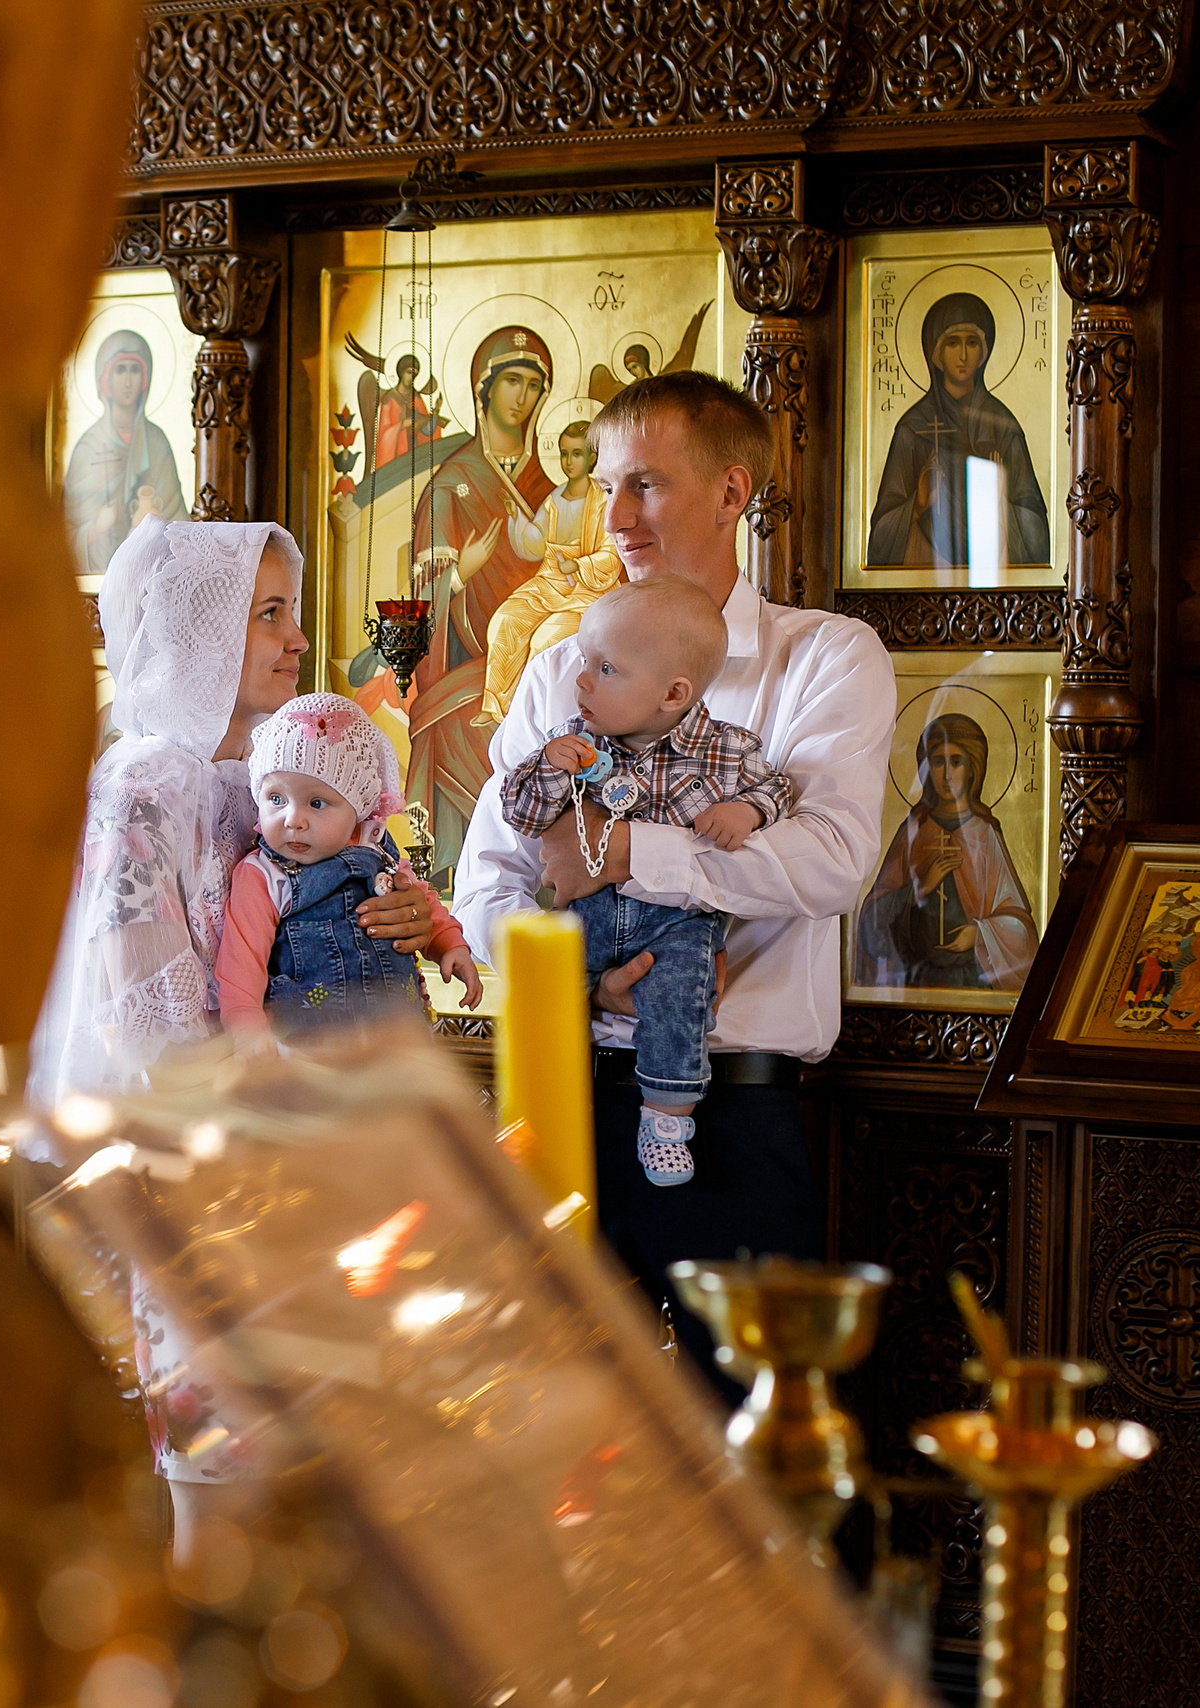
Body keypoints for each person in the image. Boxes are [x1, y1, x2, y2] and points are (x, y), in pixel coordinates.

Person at [453, 371, 896, 1336]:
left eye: (644, 485)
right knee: (550, 1440)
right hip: (559, 1103)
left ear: (733, 493)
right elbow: (488, 880)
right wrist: (583, 977)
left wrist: (618, 855)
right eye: (605, 485)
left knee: (738, 1445)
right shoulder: (557, 670)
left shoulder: (825, 657)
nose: (612, 516)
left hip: (737, 1119)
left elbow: (828, 860)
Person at [29, 520, 437, 1556]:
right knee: (219, 1505)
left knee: (312, 1510)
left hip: (297, 1173)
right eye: (266, 615)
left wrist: (395, 914)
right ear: (190, 630)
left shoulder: (260, 783)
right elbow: (146, 1014)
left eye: (290, 612)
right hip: (208, 1191)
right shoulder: (145, 785)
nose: (297, 640)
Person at [496, 580, 795, 1186]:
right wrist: (551, 768)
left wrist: (747, 813)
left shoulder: (728, 751)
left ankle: (667, 1117)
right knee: (547, 995)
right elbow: (521, 816)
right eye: (584, 663)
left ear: (673, 693)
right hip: (588, 912)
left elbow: (777, 790)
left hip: (675, 921)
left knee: (680, 1000)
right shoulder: (574, 743)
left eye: (605, 669)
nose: (581, 681)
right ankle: (532, 1116)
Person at [217, 693, 484, 1041]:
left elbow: (421, 900)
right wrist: (246, 1029)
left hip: (397, 1040)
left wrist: (451, 945)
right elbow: (242, 961)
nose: (293, 820)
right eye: (276, 799)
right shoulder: (265, 874)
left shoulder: (377, 851)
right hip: (311, 1052)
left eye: (317, 803)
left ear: (357, 808)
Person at [404, 325, 556, 878]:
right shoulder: (451, 486)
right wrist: (459, 576)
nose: (521, 396)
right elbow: (420, 606)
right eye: (511, 380)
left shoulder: (557, 489)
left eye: (534, 385)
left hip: (547, 660)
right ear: (483, 389)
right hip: (470, 665)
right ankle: (457, 878)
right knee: (460, 718)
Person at [851, 711, 1038, 993]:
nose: (947, 774)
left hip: (974, 979)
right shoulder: (914, 831)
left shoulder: (984, 835)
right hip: (914, 982)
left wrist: (978, 935)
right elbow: (870, 922)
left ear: (973, 768)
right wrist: (919, 888)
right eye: (938, 762)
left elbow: (1021, 930)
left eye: (956, 762)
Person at [864, 293, 1052, 575]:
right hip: (924, 567)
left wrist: (1001, 501)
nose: (963, 355)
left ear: (984, 352)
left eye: (972, 343)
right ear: (935, 352)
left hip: (996, 573)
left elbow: (1037, 536)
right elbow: (879, 540)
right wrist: (917, 504)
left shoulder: (1003, 427)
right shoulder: (912, 428)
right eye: (953, 343)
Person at [476, 420, 622, 727]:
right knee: (505, 622)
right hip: (549, 583)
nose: (570, 462)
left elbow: (612, 554)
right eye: (564, 454)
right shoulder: (555, 499)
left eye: (577, 454)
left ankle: (531, 722)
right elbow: (535, 545)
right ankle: (498, 710)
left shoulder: (603, 501)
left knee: (546, 641)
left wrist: (580, 565)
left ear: (592, 458)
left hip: (588, 591)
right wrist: (517, 518)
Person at [63, 330, 189, 575]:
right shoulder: (87, 448)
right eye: (120, 370)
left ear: (145, 378)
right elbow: (58, 539)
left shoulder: (157, 443)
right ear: (105, 379)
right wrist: (95, 528)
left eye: (135, 369)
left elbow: (182, 524)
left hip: (150, 580)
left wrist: (155, 525)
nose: (128, 381)